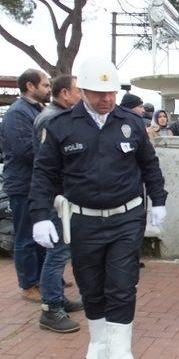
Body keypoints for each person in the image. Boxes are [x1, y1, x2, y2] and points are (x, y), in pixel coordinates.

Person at [29, 57, 167, 358]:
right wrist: (40, 216)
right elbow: (44, 174)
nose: (106, 99)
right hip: (83, 220)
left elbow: (149, 165)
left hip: (126, 219)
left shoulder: (131, 123)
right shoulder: (61, 126)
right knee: (90, 285)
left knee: (121, 284)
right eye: (98, 93)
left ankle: (119, 349)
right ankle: (99, 343)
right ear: (83, 91)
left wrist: (158, 199)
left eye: (111, 93)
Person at [32, 74, 84, 333]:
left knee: (60, 253)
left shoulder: (57, 116)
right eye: (78, 91)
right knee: (57, 253)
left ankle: (57, 298)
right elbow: (46, 165)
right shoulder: (52, 119)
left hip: (63, 196)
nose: (81, 95)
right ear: (65, 93)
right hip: (56, 198)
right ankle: (50, 308)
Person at [3, 69, 51, 303]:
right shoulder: (17, 113)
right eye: (45, 85)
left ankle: (43, 279)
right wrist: (55, 157)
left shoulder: (38, 109)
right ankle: (29, 284)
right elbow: (25, 149)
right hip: (23, 184)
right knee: (25, 237)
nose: (49, 89)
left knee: (41, 235)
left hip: (39, 184)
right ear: (30, 86)